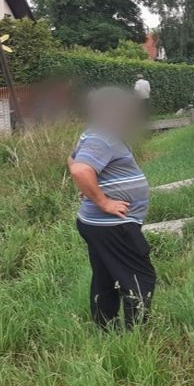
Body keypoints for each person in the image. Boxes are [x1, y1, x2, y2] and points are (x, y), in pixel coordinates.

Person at [68, 87, 156, 330]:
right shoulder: (102, 136)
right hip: (112, 225)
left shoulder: (95, 134)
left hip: (99, 225)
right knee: (140, 277)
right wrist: (103, 201)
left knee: (105, 275)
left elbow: (73, 159)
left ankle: (104, 327)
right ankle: (134, 335)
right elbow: (79, 169)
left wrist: (90, 189)